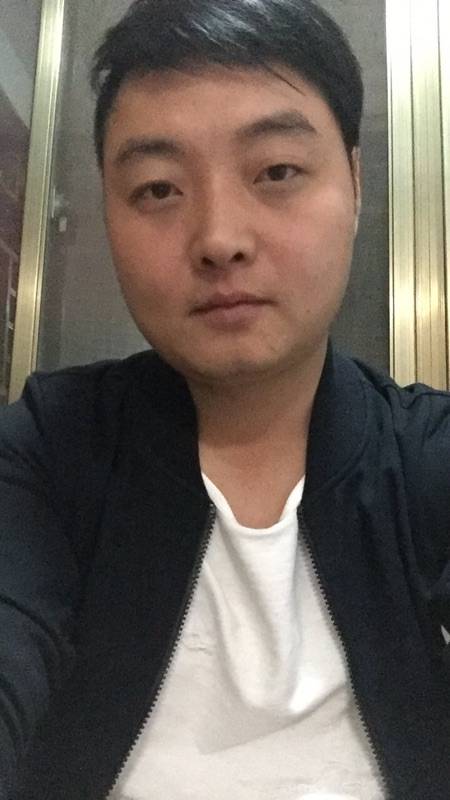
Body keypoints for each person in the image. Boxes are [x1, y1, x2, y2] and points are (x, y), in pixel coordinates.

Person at [1, 0, 449, 797]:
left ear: (354, 180)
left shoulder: (428, 457)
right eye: (158, 188)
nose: (218, 238)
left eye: (276, 172)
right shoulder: (47, 450)